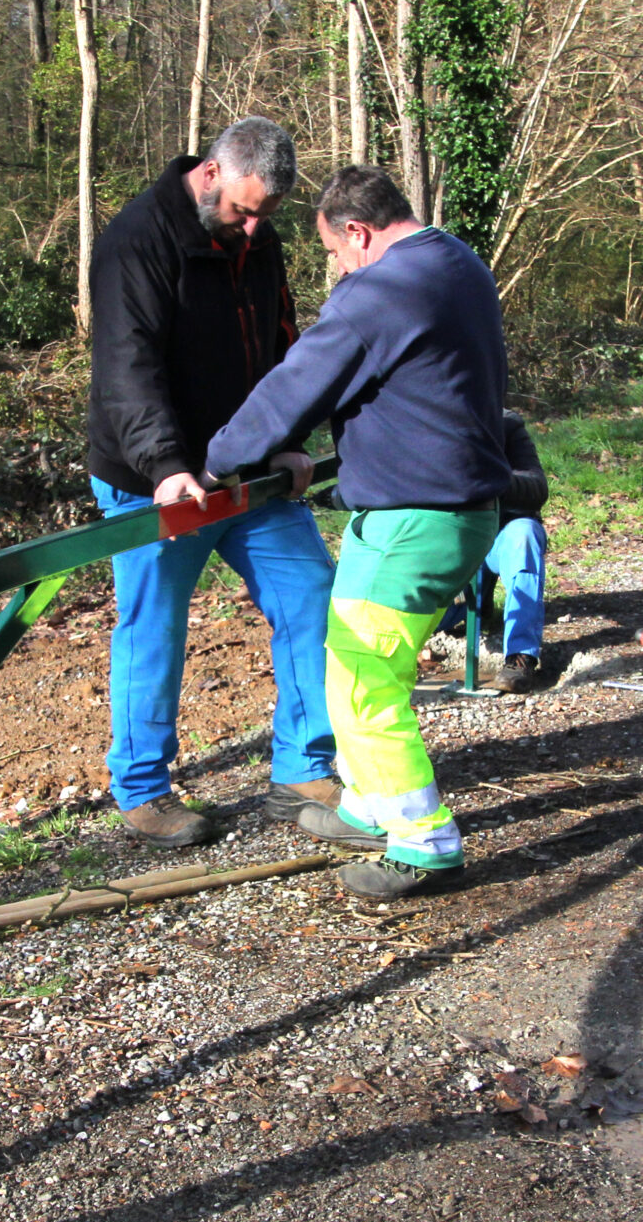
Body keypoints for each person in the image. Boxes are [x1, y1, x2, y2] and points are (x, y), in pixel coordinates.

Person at [204, 165, 510, 900]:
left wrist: (218, 461)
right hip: (450, 509)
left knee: (365, 685)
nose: (336, 270)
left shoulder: (386, 286)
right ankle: (371, 801)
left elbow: (298, 381)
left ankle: (422, 839)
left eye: (336, 254)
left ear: (360, 232)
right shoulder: (456, 260)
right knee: (358, 663)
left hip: (415, 519)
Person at [85, 117, 342, 849]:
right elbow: (125, 370)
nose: (254, 225)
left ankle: (302, 768)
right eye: (242, 209)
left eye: (266, 213)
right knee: (154, 623)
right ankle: (142, 789)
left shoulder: (259, 243)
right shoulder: (136, 242)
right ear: (210, 175)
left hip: (244, 469)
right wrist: (166, 468)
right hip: (151, 477)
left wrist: (288, 440)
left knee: (308, 592)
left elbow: (281, 344)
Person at [438, 411, 550, 693]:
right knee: (440, 616)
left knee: (524, 535)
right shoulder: (419, 422)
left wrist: (484, 480)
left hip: (502, 534)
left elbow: (536, 487)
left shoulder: (505, 423)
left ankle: (520, 657)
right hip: (448, 540)